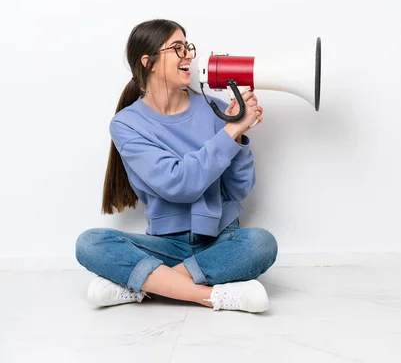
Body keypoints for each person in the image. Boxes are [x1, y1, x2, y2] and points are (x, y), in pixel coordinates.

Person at [75, 19, 278, 313]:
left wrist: (239, 136)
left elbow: (239, 189)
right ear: (149, 62)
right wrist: (229, 133)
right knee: (89, 243)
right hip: (167, 246)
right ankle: (210, 296)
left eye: (188, 47)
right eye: (177, 48)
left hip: (221, 238)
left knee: (261, 243)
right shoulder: (126, 124)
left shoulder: (217, 109)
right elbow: (178, 184)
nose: (189, 55)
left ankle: (145, 287)